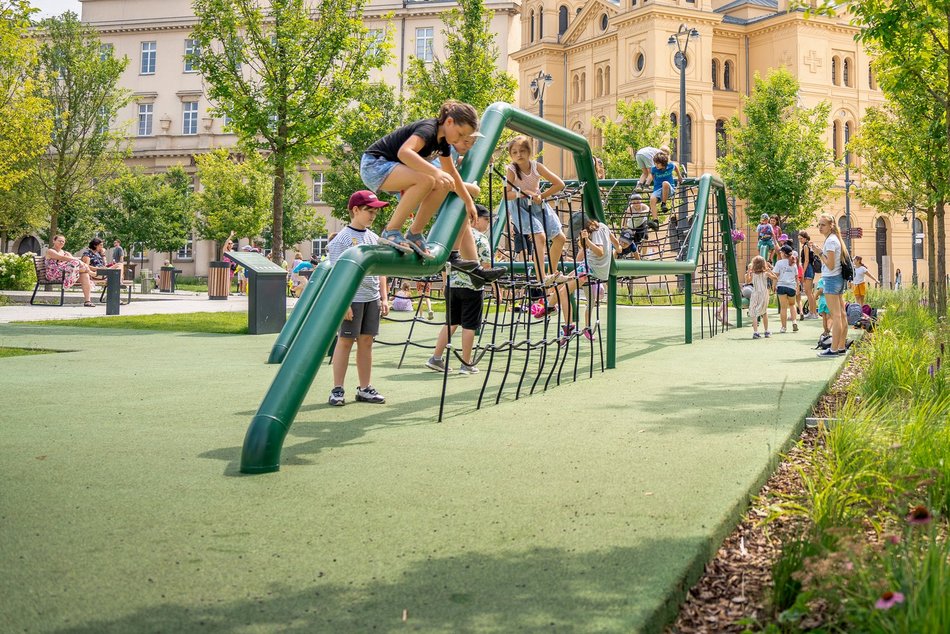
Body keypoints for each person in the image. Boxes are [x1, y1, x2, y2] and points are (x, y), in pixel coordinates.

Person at [360, 100, 477, 260]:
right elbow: (404, 152)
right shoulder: (428, 129)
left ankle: (415, 233)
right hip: (374, 164)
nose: (460, 139)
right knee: (428, 180)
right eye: (461, 133)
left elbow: (452, 173)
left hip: (391, 169)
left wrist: (468, 202)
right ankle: (391, 231)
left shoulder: (443, 143)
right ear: (449, 122)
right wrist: (435, 172)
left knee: (443, 182)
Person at [327, 190, 390, 406]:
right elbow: (337, 274)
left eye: (375, 212)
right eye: (368, 211)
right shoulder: (342, 239)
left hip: (371, 298)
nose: (373, 215)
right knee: (345, 342)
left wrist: (383, 297)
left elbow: (380, 269)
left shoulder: (373, 238)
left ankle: (364, 388)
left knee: (366, 342)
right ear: (355, 210)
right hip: (351, 299)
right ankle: (337, 389)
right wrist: (343, 303)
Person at [426, 204, 494, 374]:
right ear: (475, 219)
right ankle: (466, 363)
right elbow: (486, 265)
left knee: (451, 323)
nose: (488, 224)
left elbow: (445, 262)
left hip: (452, 285)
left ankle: (436, 357)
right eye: (486, 220)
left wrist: (445, 283)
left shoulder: (453, 235)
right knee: (469, 325)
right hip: (472, 286)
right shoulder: (480, 238)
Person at [535, 211, 620, 343]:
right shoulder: (603, 226)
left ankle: (567, 326)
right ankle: (550, 306)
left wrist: (587, 241)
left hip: (590, 270)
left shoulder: (595, 232)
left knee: (563, 292)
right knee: (561, 284)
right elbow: (617, 246)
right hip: (591, 268)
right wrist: (616, 250)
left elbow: (600, 252)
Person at [505, 135, 568, 286]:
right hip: (521, 206)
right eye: (514, 152)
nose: (519, 155)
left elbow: (559, 184)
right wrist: (523, 192)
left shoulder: (536, 167)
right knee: (539, 236)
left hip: (537, 204)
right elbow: (506, 194)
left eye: (522, 151)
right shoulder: (512, 170)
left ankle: (552, 274)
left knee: (560, 238)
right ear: (511, 155)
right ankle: (541, 277)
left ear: (529, 152)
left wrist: (541, 195)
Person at [810, 213, 850, 357]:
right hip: (836, 279)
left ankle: (833, 349)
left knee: (836, 315)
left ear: (831, 226)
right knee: (842, 314)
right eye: (819, 225)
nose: (820, 227)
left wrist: (819, 252)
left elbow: (830, 265)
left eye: (823, 225)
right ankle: (840, 347)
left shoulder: (831, 241)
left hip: (831, 279)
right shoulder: (833, 239)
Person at [45, 234, 96, 307]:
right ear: (54, 241)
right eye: (60, 241)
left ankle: (87, 301)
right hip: (54, 274)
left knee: (85, 275)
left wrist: (82, 264)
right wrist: (80, 262)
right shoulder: (50, 251)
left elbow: (75, 262)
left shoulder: (66, 253)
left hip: (67, 273)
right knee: (75, 262)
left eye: (63, 241)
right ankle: (90, 272)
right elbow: (61, 258)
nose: (62, 243)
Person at [648, 151, 683, 224]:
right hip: (658, 189)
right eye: (655, 163)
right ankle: (655, 221)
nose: (656, 165)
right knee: (652, 199)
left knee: (665, 183)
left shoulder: (670, 166)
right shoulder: (654, 169)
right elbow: (651, 176)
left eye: (658, 163)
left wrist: (679, 176)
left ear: (663, 163)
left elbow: (676, 166)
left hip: (669, 189)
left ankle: (663, 204)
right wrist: (647, 184)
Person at [746, 255, 775, 339]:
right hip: (764, 294)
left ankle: (755, 332)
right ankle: (766, 331)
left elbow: (747, 281)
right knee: (764, 312)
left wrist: (748, 271)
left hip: (755, 294)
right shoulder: (765, 273)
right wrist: (770, 270)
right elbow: (775, 278)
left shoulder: (753, 274)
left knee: (754, 312)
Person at [773, 245, 799, 333]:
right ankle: (794, 321)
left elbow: (775, 276)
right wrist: (798, 287)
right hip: (791, 286)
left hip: (781, 286)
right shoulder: (794, 263)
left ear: (783, 253)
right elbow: (796, 277)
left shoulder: (779, 263)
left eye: (781, 252)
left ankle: (783, 327)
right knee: (792, 305)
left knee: (783, 308)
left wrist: (774, 285)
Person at [798, 231, 819, 319]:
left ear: (805, 238)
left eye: (801, 238)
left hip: (808, 268)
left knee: (808, 292)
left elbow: (806, 260)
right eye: (799, 239)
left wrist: (803, 271)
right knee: (809, 292)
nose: (800, 240)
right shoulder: (807, 246)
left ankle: (813, 312)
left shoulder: (806, 246)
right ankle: (813, 312)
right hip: (809, 268)